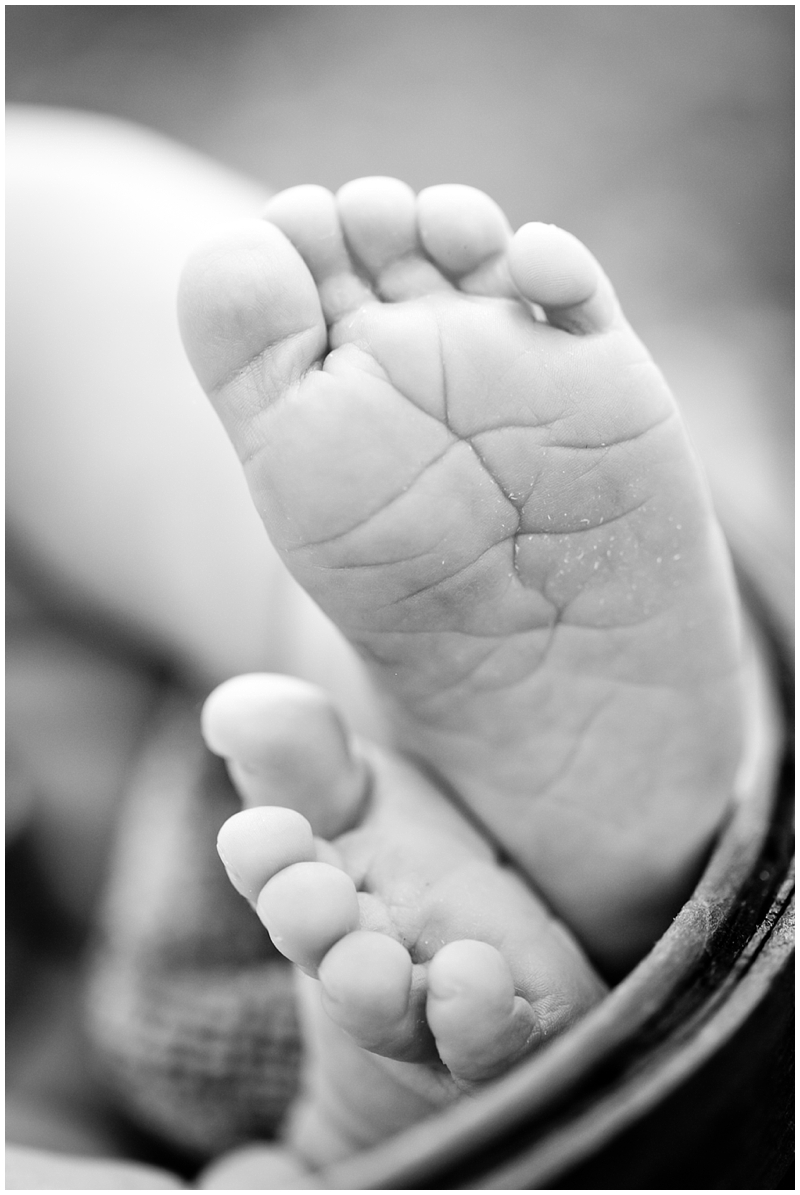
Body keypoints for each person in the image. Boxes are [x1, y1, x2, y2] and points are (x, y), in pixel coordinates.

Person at [6, 107, 785, 1189]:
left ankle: (389, 685)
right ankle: (371, 1129)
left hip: (209, 769)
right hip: (147, 1046)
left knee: (26, 245)